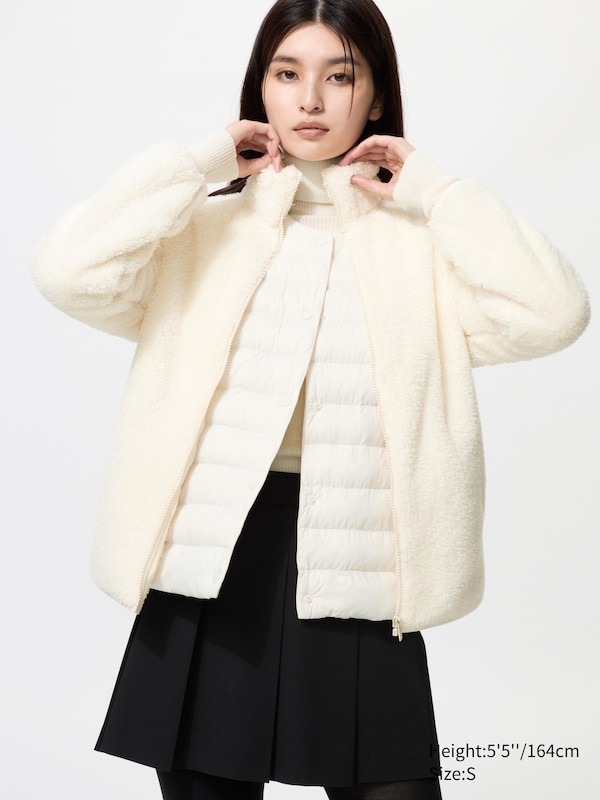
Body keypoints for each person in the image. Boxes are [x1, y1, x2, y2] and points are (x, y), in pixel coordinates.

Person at [31, 1, 589, 799]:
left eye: (340, 76)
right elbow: (68, 272)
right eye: (287, 74)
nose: (311, 100)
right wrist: (198, 164)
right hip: (209, 558)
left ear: (377, 95)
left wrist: (437, 191)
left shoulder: (419, 248)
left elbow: (554, 312)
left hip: (362, 564)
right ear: (261, 87)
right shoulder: (204, 232)